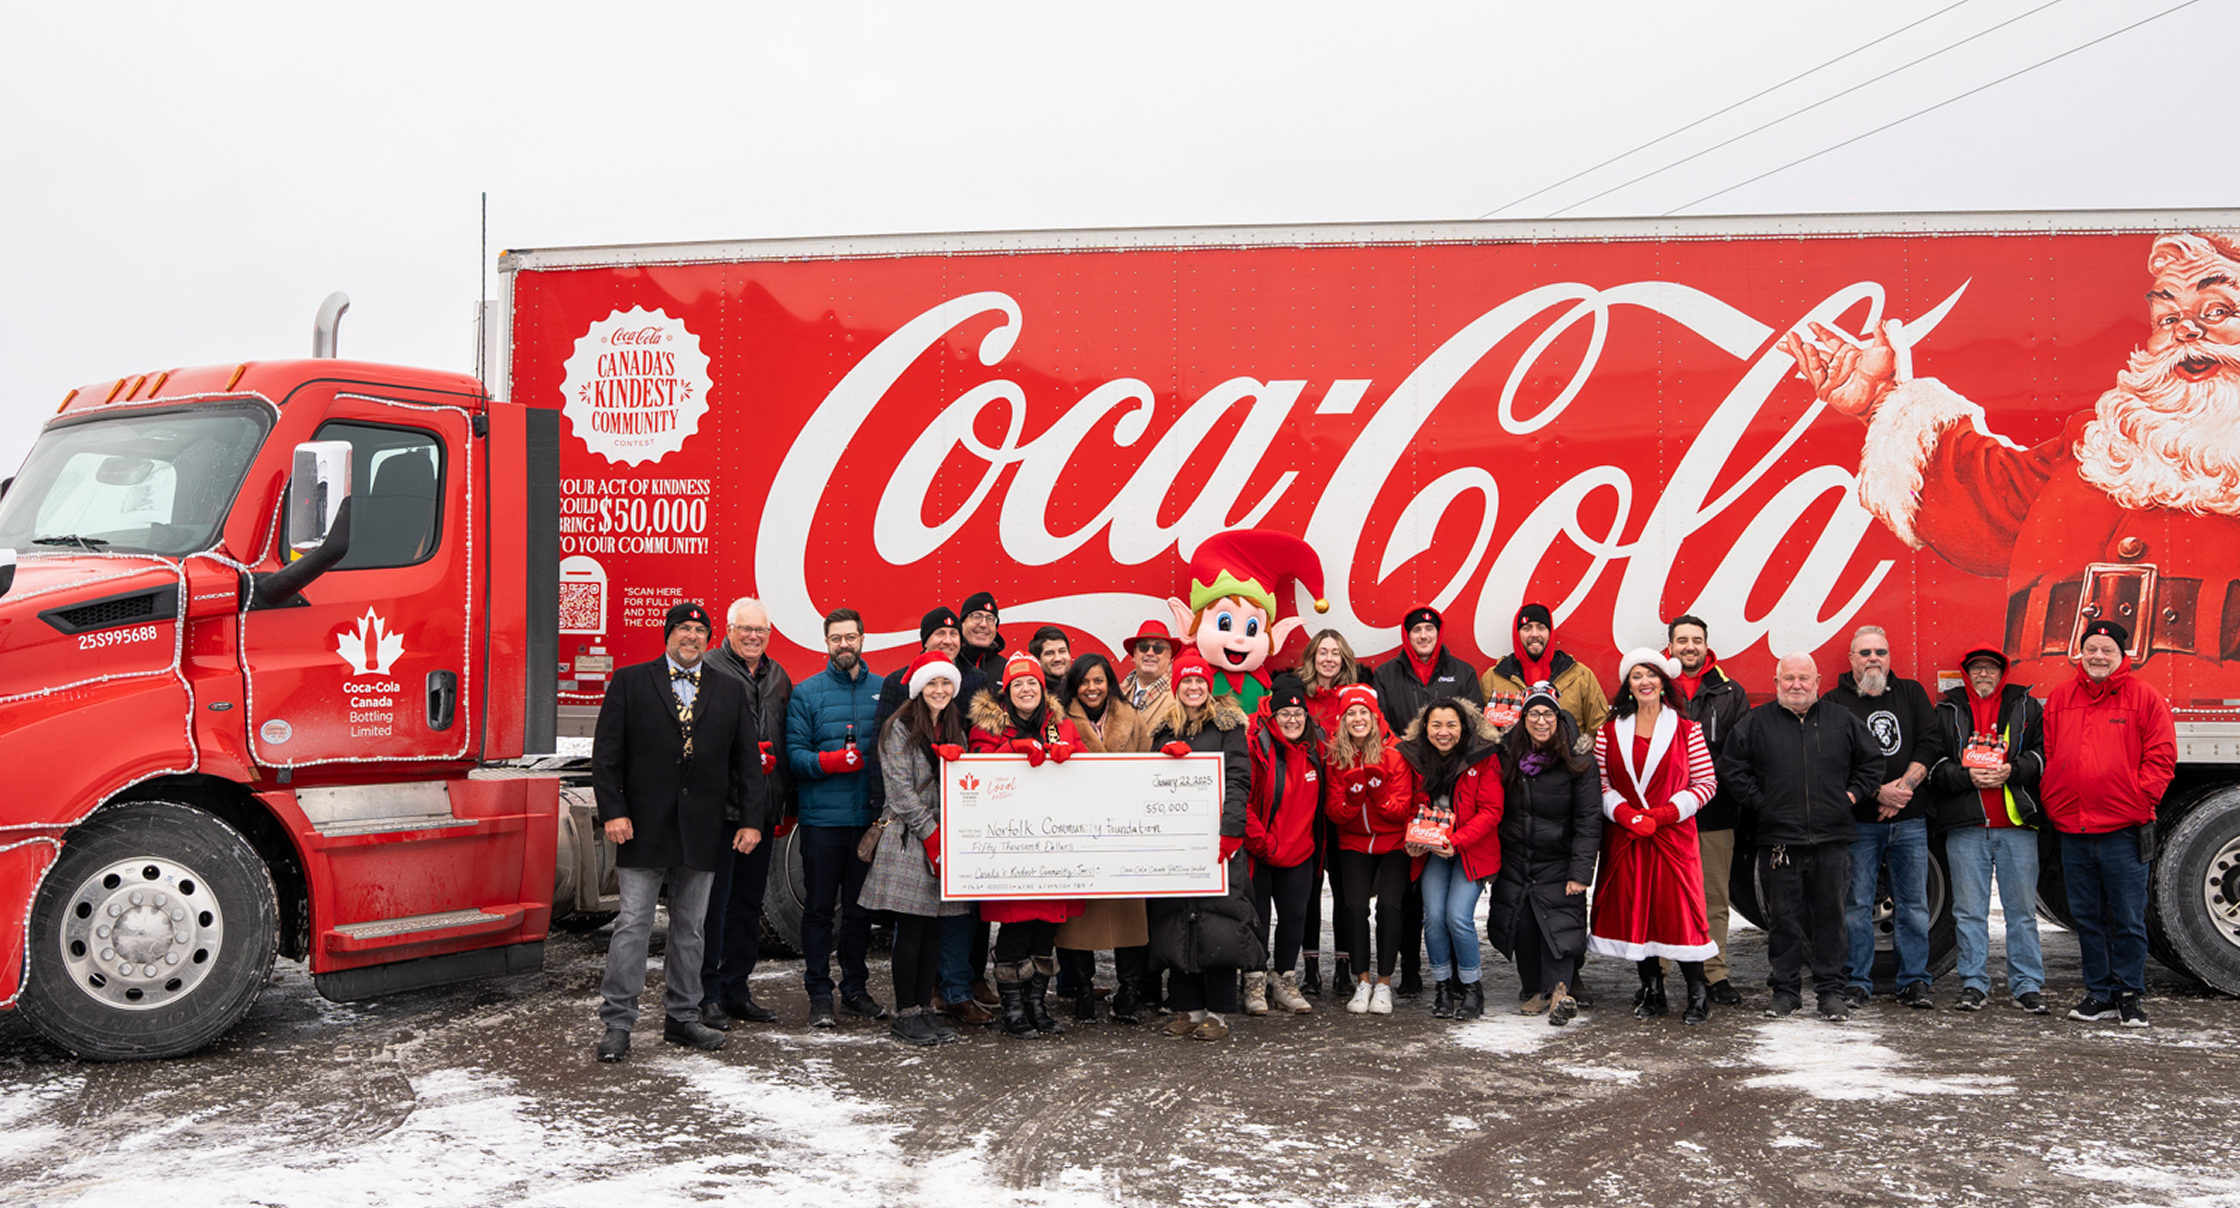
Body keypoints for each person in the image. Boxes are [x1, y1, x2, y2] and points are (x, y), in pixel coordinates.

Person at [1787, 232, 2240, 709]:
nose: (2185, 332)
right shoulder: (2098, 444)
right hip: (2053, 716)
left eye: (2216, 311)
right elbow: (1985, 499)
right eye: (2168, 318)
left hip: (2179, 712)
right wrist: (1883, 400)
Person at [590, 602, 766, 1062]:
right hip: (641, 827)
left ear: (710, 638)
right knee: (633, 924)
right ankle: (618, 1023)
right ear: (668, 635)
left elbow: (747, 763)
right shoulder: (630, 681)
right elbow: (606, 755)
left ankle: (683, 1017)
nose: (691, 636)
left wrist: (751, 819)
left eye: (699, 630)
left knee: (690, 928)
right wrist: (613, 811)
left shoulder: (729, 690)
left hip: (703, 829)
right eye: (683, 628)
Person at [1719, 652, 1885, 1021]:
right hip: (1779, 839)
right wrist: (1761, 802)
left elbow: (1872, 762)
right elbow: (1732, 768)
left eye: (1804, 678)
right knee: (1784, 919)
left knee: (1831, 918)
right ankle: (1785, 991)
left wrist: (1852, 795)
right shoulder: (1756, 723)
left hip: (1831, 838)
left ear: (1817, 682)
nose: (1796, 685)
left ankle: (1830, 992)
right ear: (1776, 682)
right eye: (1789, 678)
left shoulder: (1842, 719)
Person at [2042, 620, 2176, 1027]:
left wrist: (2140, 798)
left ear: (2122, 656)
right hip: (2074, 829)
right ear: (2080, 653)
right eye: (2092, 649)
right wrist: (2053, 795)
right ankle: (2098, 993)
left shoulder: (2144, 697)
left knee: (2129, 918)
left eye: (2107, 650)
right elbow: (2050, 752)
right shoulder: (2061, 697)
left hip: (2123, 829)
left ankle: (2129, 994)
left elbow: (2162, 756)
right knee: (2087, 918)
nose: (2098, 656)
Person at [1589, 650, 1720, 1025]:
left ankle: (1697, 993)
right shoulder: (1608, 732)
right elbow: (1600, 783)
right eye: (1636, 676)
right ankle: (1652, 991)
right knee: (1638, 913)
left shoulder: (1687, 729)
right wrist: (1625, 814)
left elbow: (1706, 783)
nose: (1644, 682)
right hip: (1628, 838)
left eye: (1651, 675)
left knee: (1681, 914)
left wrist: (1663, 815)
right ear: (1627, 686)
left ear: (1663, 682)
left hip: (1673, 838)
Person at [1821, 625, 1943, 1009]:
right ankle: (1857, 982)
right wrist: (1877, 792)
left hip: (1910, 820)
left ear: (1889, 658)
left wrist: (1902, 790)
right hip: (1860, 824)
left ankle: (1914, 982)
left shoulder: (1911, 693)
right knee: (1856, 905)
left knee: (1915, 905)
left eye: (1881, 652)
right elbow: (1831, 759)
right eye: (1865, 652)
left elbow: (1930, 743)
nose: (1873, 658)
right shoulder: (1834, 701)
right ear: (1851, 659)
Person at [857, 651, 974, 1046]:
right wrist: (931, 833)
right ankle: (905, 1012)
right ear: (919, 688)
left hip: (944, 839)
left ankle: (925, 1008)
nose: (939, 690)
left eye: (946, 683)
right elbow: (900, 791)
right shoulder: (899, 727)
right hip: (910, 840)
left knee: (935, 929)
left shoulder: (955, 728)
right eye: (932, 683)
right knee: (911, 929)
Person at [968, 651, 1087, 1037]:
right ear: (1006, 691)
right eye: (1017, 683)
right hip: (1010, 850)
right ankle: (1013, 1008)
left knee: (1045, 932)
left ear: (1042, 688)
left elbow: (1090, 776)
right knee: (1016, 930)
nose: (1025, 689)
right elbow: (976, 775)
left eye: (1031, 682)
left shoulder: (1062, 726)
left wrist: (1075, 758)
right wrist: (1010, 752)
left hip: (1053, 849)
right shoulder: (988, 728)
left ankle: (1037, 1005)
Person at [1926, 646, 2049, 1014]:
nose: (1983, 675)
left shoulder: (2027, 707)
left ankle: (2027, 985)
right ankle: (1973, 983)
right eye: (1977, 669)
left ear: (2002, 673)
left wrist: (2013, 771)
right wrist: (1967, 777)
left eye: (1990, 669)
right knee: (1968, 912)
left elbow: (2044, 755)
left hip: (2016, 827)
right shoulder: (1947, 710)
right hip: (1966, 828)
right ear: (1967, 674)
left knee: (2021, 912)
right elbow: (1934, 764)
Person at [1145, 652, 1260, 1041]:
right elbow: (1151, 783)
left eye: (1199, 681)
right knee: (1177, 920)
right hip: (1178, 843)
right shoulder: (1164, 730)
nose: (1193, 687)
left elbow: (1238, 779)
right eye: (1186, 682)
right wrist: (1165, 759)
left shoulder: (1228, 726)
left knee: (1219, 922)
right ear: (1176, 687)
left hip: (1217, 841)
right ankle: (1187, 1008)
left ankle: (1219, 1012)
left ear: (1209, 687)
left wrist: (1232, 830)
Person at [1368, 605, 1481, 998]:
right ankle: (1411, 971)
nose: (1423, 636)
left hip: (1455, 784)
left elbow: (1476, 726)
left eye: (1429, 630)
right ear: (1407, 635)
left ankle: (1455, 977)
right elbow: (1381, 729)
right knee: (1411, 892)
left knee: (1444, 902)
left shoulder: (1462, 672)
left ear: (1439, 633)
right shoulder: (1386, 674)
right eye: (1416, 630)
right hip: (1409, 780)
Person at [783, 607, 887, 1029]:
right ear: (826, 643)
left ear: (862, 639)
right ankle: (820, 994)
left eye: (850, 637)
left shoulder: (883, 690)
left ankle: (855, 991)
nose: (844, 644)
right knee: (819, 912)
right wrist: (827, 762)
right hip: (822, 824)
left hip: (867, 824)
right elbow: (794, 756)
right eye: (836, 638)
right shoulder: (806, 693)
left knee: (860, 914)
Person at [695, 596, 794, 1028]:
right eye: (745, 629)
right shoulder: (709, 669)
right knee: (712, 907)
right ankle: (706, 994)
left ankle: (736, 989)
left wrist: (784, 803)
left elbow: (787, 742)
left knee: (748, 905)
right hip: (721, 813)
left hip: (763, 809)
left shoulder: (778, 676)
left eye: (761, 630)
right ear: (728, 631)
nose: (754, 637)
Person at [1487, 686, 1603, 1026]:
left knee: (1559, 924)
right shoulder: (1507, 756)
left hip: (1558, 858)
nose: (1541, 721)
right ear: (1523, 719)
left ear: (1559, 718)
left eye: (1548, 714)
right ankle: (1536, 989)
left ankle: (1559, 992)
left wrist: (1580, 872)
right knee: (1521, 924)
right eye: (1534, 714)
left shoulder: (1579, 761)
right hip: (1516, 858)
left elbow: (1588, 820)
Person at [1055, 653, 1154, 1024]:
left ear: (1109, 683)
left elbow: (1147, 766)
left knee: (1130, 915)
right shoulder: (1058, 720)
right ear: (1074, 685)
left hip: (1124, 832)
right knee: (1079, 920)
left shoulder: (1133, 717)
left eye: (1099, 680)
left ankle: (1128, 992)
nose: (1092, 688)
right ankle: (1082, 990)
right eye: (1084, 681)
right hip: (1079, 832)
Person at [1396, 697, 1504, 1021]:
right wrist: (1414, 838)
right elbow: (1412, 805)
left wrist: (1455, 842)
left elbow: (1492, 810)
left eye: (1451, 725)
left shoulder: (1484, 756)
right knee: (1433, 918)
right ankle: (1443, 986)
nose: (1443, 732)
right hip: (1434, 850)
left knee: (1457, 916)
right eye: (1436, 725)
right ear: (1425, 728)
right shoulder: (1416, 757)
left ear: (1464, 727)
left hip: (1471, 849)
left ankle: (1471, 988)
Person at [1665, 614, 1750, 1007]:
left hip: (1715, 813)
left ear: (1706, 645)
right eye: (1682, 640)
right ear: (1671, 645)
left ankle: (1715, 975)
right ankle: (1659, 974)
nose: (1689, 647)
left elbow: (1739, 753)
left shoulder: (1730, 692)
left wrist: (1698, 778)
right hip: (1665, 816)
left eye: (1696, 640)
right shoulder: (1654, 685)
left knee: (1713, 898)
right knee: (1665, 899)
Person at [1322, 683, 1418, 1016]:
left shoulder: (1396, 753)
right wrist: (1353, 801)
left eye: (1364, 712)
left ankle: (1384, 983)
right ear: (1342, 720)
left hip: (1392, 842)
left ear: (1375, 717)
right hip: (1354, 842)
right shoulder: (1336, 756)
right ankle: (1362, 980)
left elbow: (1401, 810)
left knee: (1390, 907)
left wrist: (1378, 797)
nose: (1358, 718)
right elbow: (1334, 812)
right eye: (1351, 713)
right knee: (1353, 907)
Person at [1243, 673, 1326, 1017]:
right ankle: (1254, 980)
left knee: (1295, 918)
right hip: (1262, 850)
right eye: (1285, 714)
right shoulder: (1256, 746)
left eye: (1298, 714)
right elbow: (1242, 802)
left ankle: (1285, 980)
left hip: (1300, 851)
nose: (1292, 720)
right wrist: (1263, 843)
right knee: (1258, 921)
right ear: (1273, 715)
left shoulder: (1316, 746)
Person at [1298, 628, 1365, 996]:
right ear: (1312, 658)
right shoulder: (1300, 698)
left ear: (1344, 659)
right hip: (1306, 805)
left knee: (1344, 889)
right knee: (1309, 890)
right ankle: (1310, 967)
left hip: (1342, 805)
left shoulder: (1353, 698)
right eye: (1322, 652)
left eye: (1335, 653)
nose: (1328, 659)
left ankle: (1344, 966)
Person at [1481, 602, 1610, 742]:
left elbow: (1600, 730)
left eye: (1541, 627)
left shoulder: (1581, 676)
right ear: (1517, 634)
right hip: (1512, 756)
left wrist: (1579, 753)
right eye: (1527, 628)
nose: (1534, 634)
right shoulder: (1492, 678)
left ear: (1550, 632)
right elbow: (1480, 734)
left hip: (1566, 755)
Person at [1119, 620, 1177, 713]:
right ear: (1134, 653)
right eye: (1143, 647)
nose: (1150, 653)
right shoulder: (1117, 694)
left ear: (1169, 654)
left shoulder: (1179, 694)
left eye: (1158, 648)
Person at [1030, 625, 1073, 706]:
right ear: (1037, 659)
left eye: (1062, 651)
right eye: (1049, 653)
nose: (1058, 658)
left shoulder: (1081, 689)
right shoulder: (1031, 694)